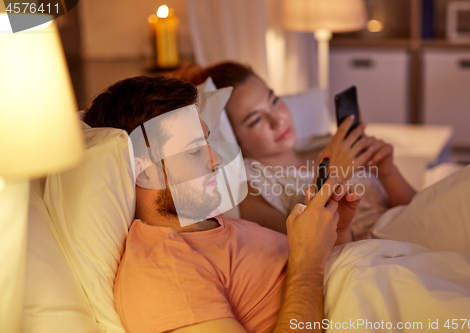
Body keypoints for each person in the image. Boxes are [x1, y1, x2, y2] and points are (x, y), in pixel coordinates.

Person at [83, 75, 363, 333]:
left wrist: (337, 232)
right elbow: (309, 276)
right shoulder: (164, 271)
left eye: (207, 141)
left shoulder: (217, 225)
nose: (216, 159)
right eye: (194, 151)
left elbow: (323, 284)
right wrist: (308, 263)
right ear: (144, 172)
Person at [180, 62, 416, 237]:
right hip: (374, 257)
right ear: (234, 137)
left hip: (410, 229)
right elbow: (306, 251)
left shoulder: (323, 142)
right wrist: (332, 173)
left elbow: (414, 208)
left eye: (273, 101)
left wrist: (387, 171)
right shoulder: (252, 189)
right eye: (255, 121)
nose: (278, 120)